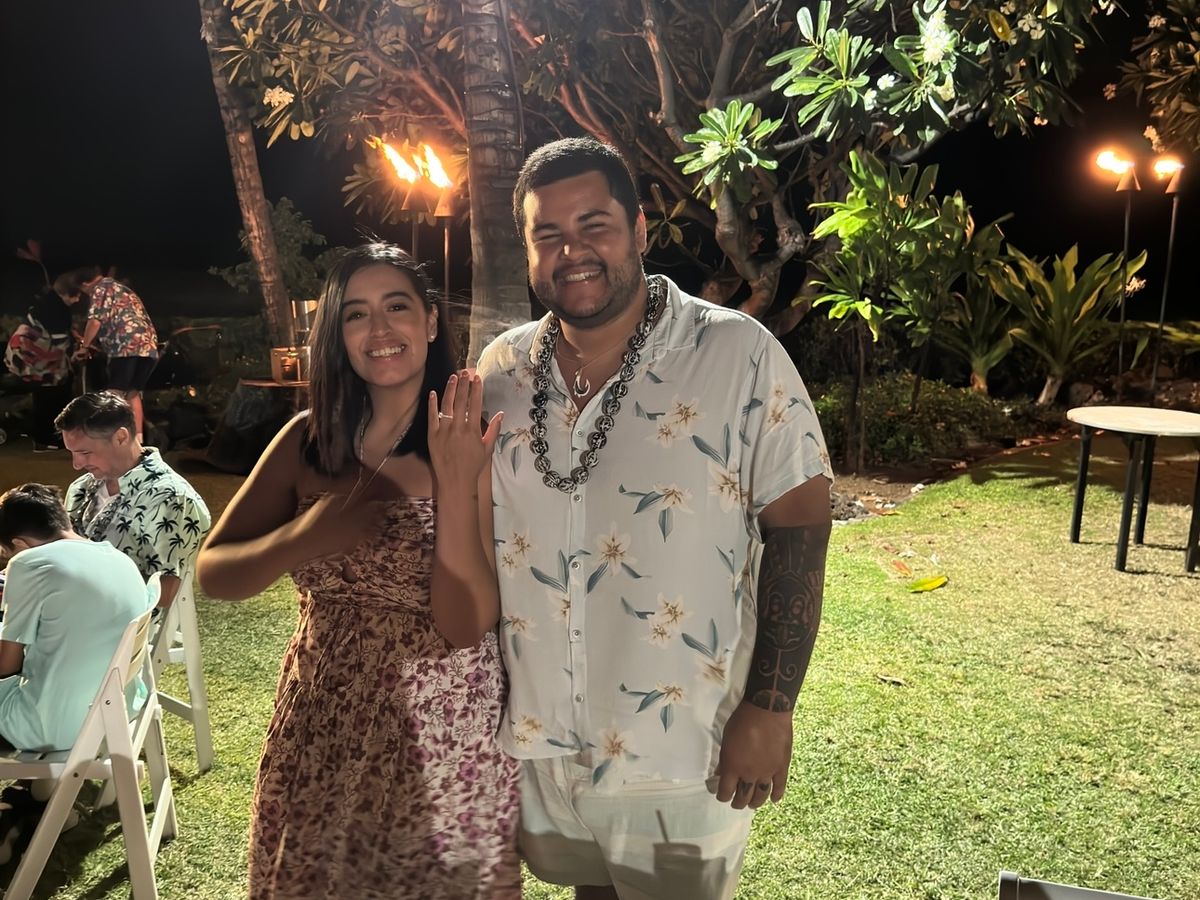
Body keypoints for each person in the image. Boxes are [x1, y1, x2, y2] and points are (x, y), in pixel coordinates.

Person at [475, 137, 834, 900]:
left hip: (684, 744)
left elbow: (800, 528)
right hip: (544, 742)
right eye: (548, 233)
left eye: (595, 225)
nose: (572, 251)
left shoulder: (736, 353)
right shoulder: (500, 370)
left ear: (638, 229)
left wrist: (771, 707)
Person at [196, 242, 520, 899]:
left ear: (431, 321)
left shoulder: (473, 438)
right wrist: (300, 538)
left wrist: (454, 485)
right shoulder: (308, 440)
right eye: (355, 314)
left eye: (396, 307)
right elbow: (214, 572)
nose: (378, 329)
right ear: (336, 335)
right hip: (322, 712)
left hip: (441, 725)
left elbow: (465, 627)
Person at [0, 483, 157, 753]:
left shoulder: (28, 563)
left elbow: (7, 665)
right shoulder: (120, 559)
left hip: (48, 727)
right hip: (116, 711)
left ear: (19, 544)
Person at [56, 392, 210, 610]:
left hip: (123, 622)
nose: (77, 464)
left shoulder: (172, 498)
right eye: (72, 453)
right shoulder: (81, 487)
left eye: (85, 452)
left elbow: (164, 594)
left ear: (121, 437)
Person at [53, 268, 158, 441]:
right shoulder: (119, 288)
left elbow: (95, 321)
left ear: (85, 284)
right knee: (132, 393)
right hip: (148, 347)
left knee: (113, 393)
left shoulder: (101, 288)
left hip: (126, 346)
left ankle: (107, 437)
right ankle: (137, 440)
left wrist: (84, 347)